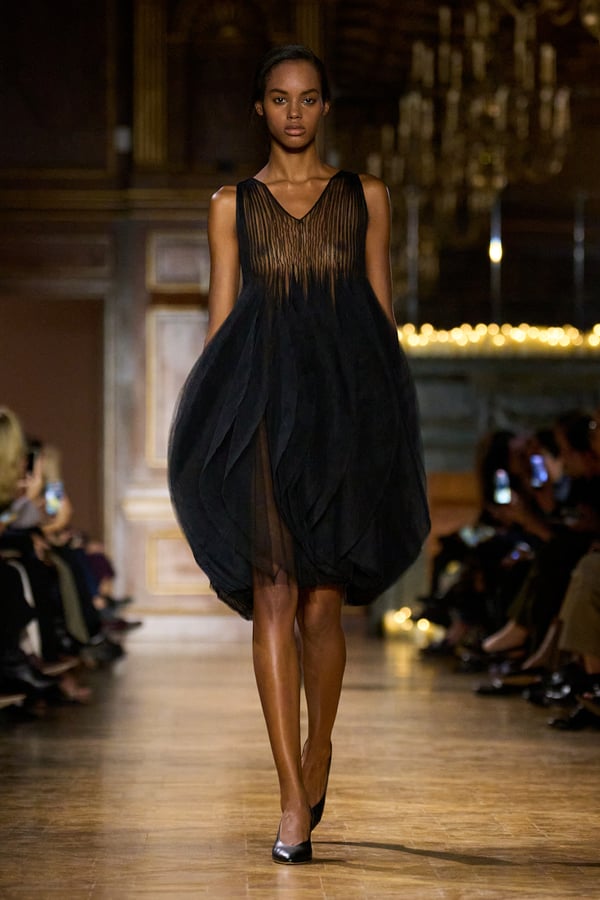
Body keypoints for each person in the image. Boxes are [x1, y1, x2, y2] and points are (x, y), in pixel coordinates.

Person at [168, 44, 430, 864]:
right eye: (280, 98)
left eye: (308, 98)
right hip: (258, 412)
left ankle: (321, 749)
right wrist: (205, 429)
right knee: (275, 595)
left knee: (323, 607)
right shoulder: (231, 205)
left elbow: (381, 322)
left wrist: (390, 428)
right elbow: (220, 327)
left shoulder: (366, 197)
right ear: (259, 107)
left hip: (344, 415)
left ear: (325, 107)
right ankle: (289, 794)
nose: (293, 112)